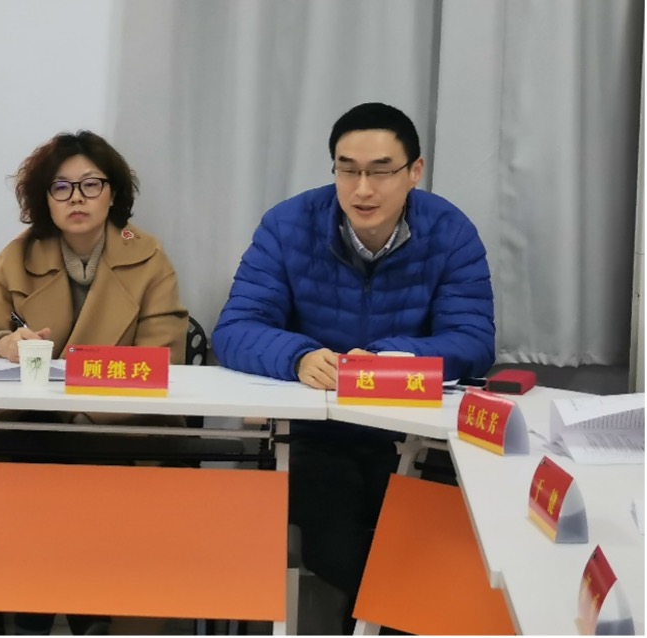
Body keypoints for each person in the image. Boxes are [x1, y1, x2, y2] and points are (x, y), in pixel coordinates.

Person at [211, 102, 494, 633]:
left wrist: (388, 358)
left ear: (415, 171)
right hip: (318, 432)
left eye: (381, 171)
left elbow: (473, 341)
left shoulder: (450, 231)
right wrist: (298, 356)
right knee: (337, 543)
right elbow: (235, 329)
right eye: (348, 170)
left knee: (430, 541)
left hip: (416, 433)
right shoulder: (288, 225)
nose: (363, 189)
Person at [0, 130, 188, 635]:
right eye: (61, 187)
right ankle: (84, 617)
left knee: (66, 472)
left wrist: (79, 408)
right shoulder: (17, 258)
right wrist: (5, 344)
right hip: (32, 427)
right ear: (44, 200)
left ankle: (45, 616)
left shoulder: (150, 259)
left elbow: (162, 360)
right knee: (40, 460)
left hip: (119, 429)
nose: (77, 199)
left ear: (113, 194)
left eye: (91, 185)